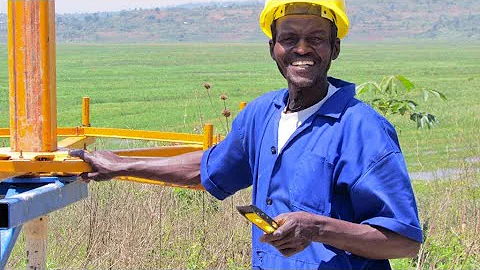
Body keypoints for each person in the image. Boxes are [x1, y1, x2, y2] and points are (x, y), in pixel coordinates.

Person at [70, 0, 423, 269]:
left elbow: (403, 241)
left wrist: (316, 228)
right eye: (289, 39)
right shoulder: (260, 115)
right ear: (273, 49)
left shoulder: (362, 128)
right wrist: (122, 166)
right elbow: (209, 169)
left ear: (335, 49)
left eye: (316, 39)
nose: (302, 49)